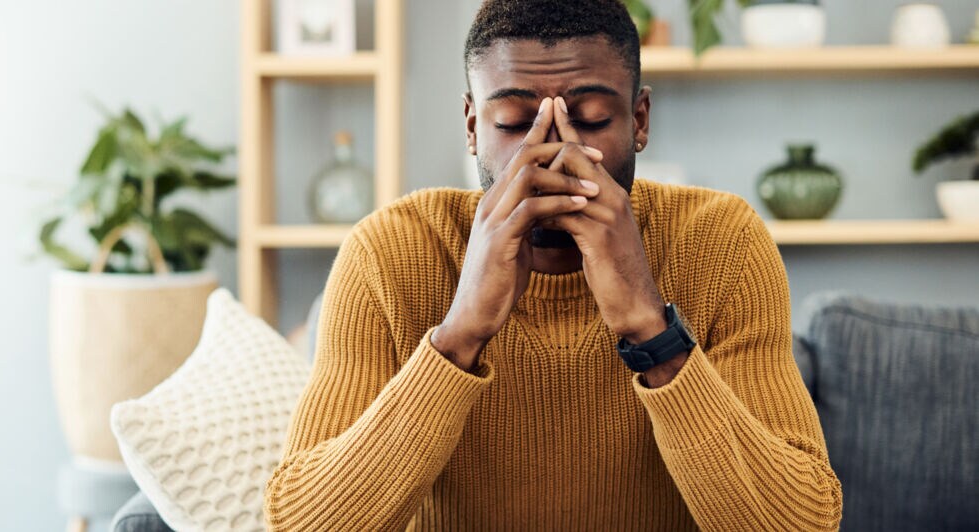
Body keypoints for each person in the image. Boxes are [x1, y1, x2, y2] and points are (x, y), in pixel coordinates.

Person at [264, 0, 843, 529]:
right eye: (515, 124)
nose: (553, 155)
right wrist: (459, 335)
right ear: (472, 128)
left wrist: (650, 327)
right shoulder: (388, 253)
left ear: (639, 121)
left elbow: (804, 523)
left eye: (590, 119)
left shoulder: (722, 243)